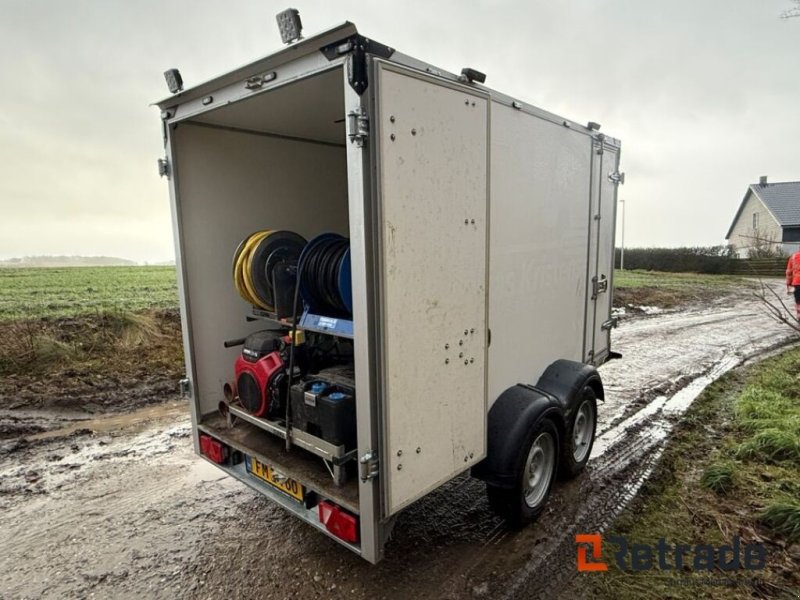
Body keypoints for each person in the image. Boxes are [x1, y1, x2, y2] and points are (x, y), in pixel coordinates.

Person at [786, 249, 800, 320]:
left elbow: (789, 272)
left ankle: (799, 316)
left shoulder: (793, 257)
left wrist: (788, 283)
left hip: (797, 282)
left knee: (798, 301)